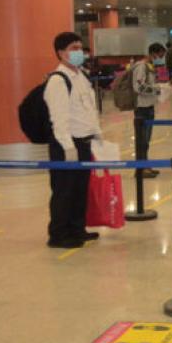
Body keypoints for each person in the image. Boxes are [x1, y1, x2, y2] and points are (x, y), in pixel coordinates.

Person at [44, 32, 102, 249]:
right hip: (67, 145)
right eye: (73, 49)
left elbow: (89, 109)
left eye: (80, 48)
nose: (79, 52)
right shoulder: (58, 80)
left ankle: (77, 229)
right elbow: (59, 119)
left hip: (84, 141)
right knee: (64, 190)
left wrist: (96, 134)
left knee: (80, 189)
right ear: (61, 53)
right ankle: (58, 234)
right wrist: (68, 147)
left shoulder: (81, 76)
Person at [133, 42, 167, 178]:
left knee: (146, 141)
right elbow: (139, 87)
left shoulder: (149, 67)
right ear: (153, 53)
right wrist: (157, 90)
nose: (161, 58)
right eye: (160, 55)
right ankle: (141, 169)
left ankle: (145, 166)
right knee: (142, 141)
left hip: (149, 106)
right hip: (142, 108)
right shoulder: (141, 67)